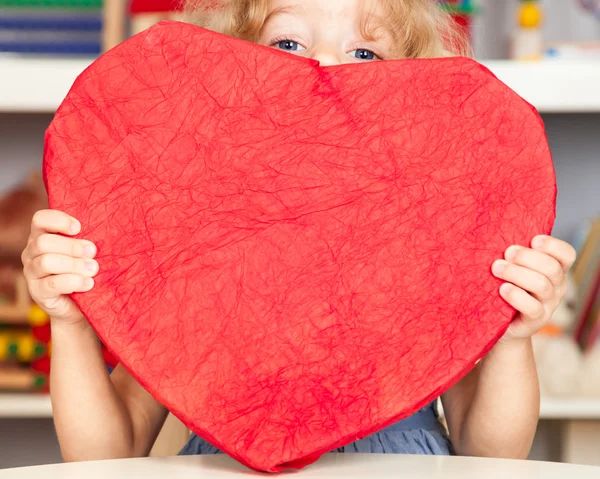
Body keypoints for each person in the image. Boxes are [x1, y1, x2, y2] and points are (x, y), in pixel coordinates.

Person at [22, 0, 576, 462]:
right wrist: (70, 326)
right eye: (288, 45)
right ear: (226, 67)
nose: (324, 67)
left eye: (365, 52)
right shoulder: (197, 250)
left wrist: (512, 336)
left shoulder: (424, 245)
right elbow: (106, 454)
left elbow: (491, 453)